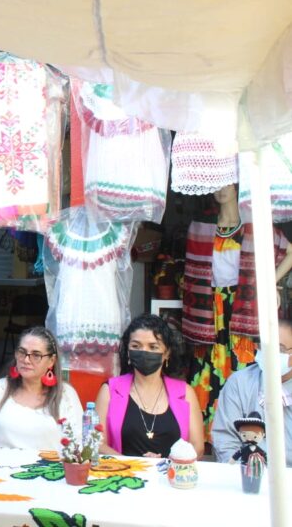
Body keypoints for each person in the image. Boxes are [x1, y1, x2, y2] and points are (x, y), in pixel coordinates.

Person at [182, 183, 292, 438]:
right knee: (207, 363)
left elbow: (289, 250)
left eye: (226, 185)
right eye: (216, 186)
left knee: (245, 362)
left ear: (237, 188)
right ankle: (206, 432)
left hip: (243, 305)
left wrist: (268, 282)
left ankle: (250, 429)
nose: (220, 191)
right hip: (209, 306)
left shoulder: (254, 225)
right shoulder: (201, 225)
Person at [96, 314, 204, 458]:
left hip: (171, 476)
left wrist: (167, 463)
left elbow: (198, 446)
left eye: (153, 347)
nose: (144, 352)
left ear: (167, 353)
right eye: (136, 346)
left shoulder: (185, 393)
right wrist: (135, 465)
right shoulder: (110, 390)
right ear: (128, 351)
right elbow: (96, 443)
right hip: (123, 476)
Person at [0, 326, 82, 449]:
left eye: (36, 355)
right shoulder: (0, 388)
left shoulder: (66, 395)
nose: (26, 360)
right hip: (3, 465)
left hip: (49, 467)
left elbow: (79, 443)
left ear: (51, 361)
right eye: (22, 352)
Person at [212, 320, 292, 467]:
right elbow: (225, 440)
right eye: (265, 347)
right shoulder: (239, 383)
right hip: (249, 476)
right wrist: (246, 475)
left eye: (279, 349)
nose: (270, 354)